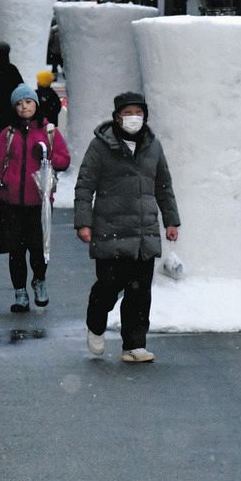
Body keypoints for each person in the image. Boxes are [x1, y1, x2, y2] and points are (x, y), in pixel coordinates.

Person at [74, 92, 180, 363]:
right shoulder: (100, 147)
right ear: (117, 117)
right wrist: (83, 222)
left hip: (144, 234)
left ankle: (134, 344)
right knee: (108, 288)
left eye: (138, 113)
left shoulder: (153, 146)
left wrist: (171, 220)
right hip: (110, 231)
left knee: (139, 292)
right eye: (128, 113)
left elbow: (164, 186)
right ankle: (96, 324)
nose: (134, 118)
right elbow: (85, 186)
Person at [0, 84, 71, 312]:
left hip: (39, 202)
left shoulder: (49, 132)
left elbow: (65, 160)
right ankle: (20, 292)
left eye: (28, 102)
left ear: (36, 104)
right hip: (10, 203)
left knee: (39, 250)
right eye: (19, 104)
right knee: (16, 252)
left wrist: (47, 156)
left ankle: (39, 280)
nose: (24, 107)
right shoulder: (7, 134)